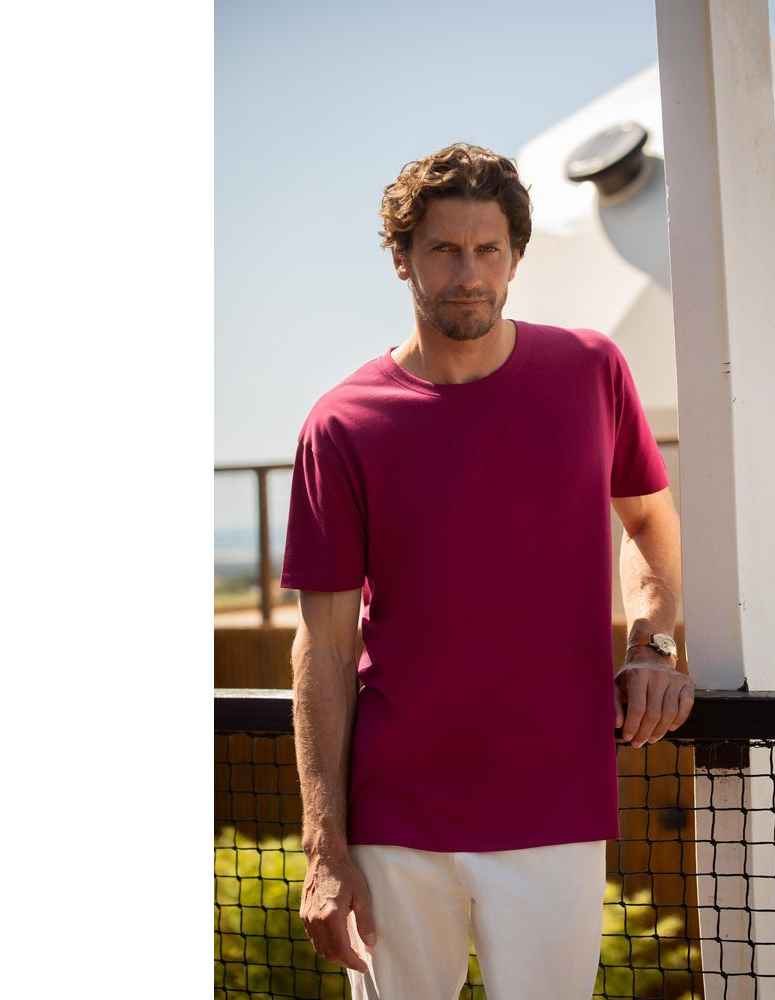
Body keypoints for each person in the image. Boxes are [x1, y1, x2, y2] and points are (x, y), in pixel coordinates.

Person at [280, 142, 694, 1000]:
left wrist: (651, 643)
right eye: (443, 249)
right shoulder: (343, 423)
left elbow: (649, 520)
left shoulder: (589, 371)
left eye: (487, 250)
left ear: (515, 256)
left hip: (555, 804)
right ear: (402, 258)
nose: (468, 275)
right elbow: (323, 645)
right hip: (392, 817)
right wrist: (324, 846)